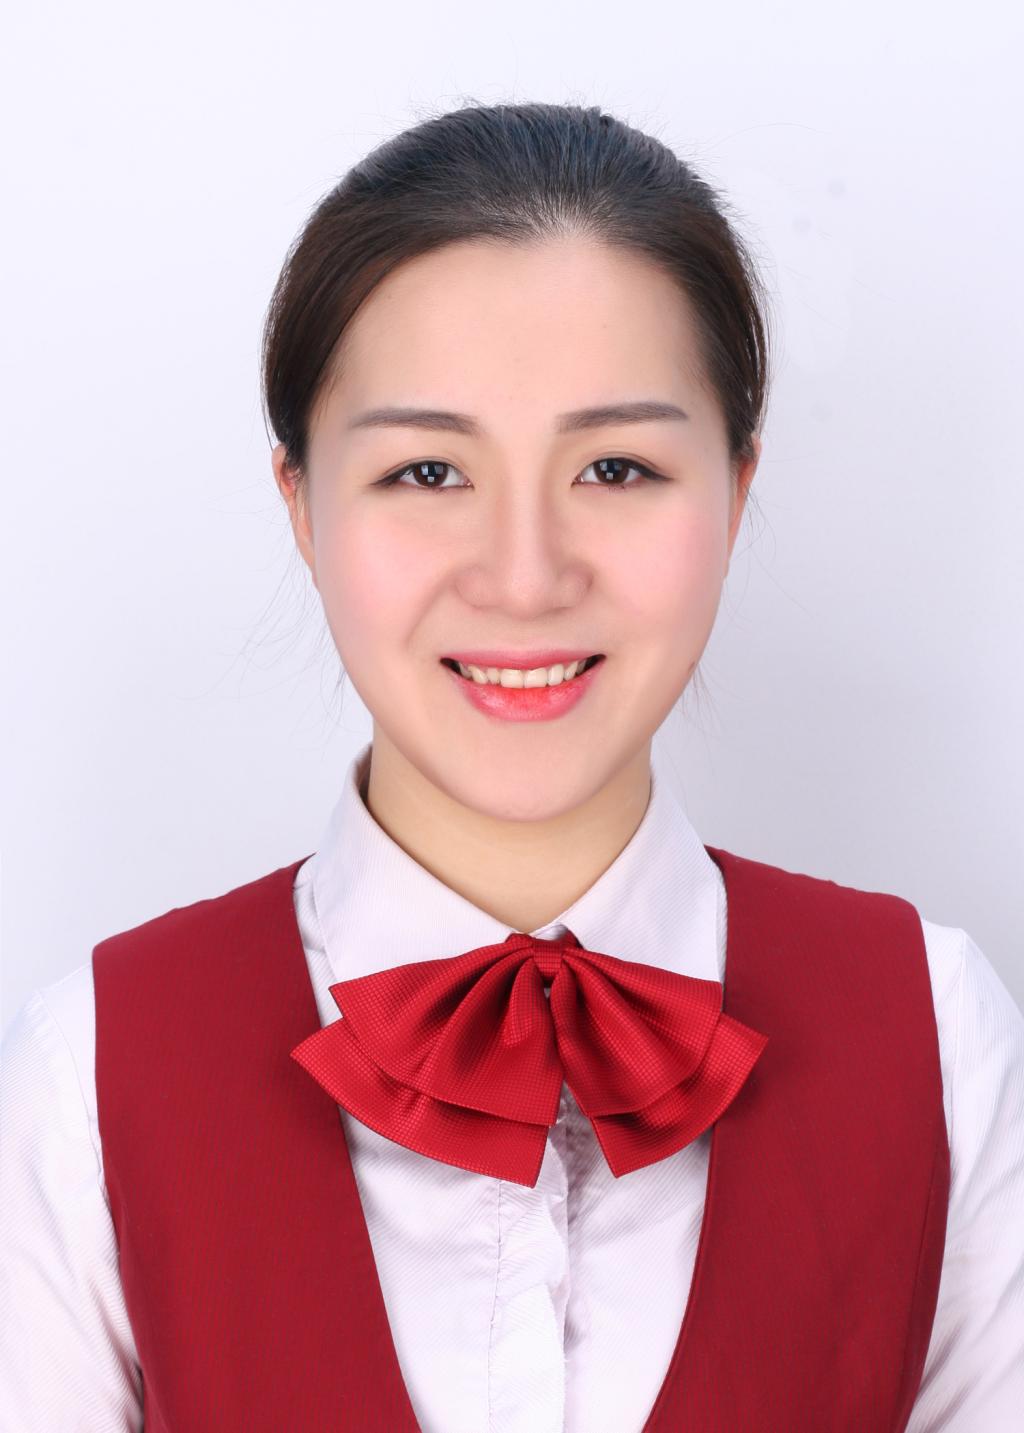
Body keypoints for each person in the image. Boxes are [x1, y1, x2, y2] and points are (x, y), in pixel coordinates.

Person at [2, 101, 1022, 1433]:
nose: (526, 576)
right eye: (428, 471)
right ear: (301, 503)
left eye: (618, 467)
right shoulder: (94, 1065)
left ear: (736, 488)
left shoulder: (936, 1032)